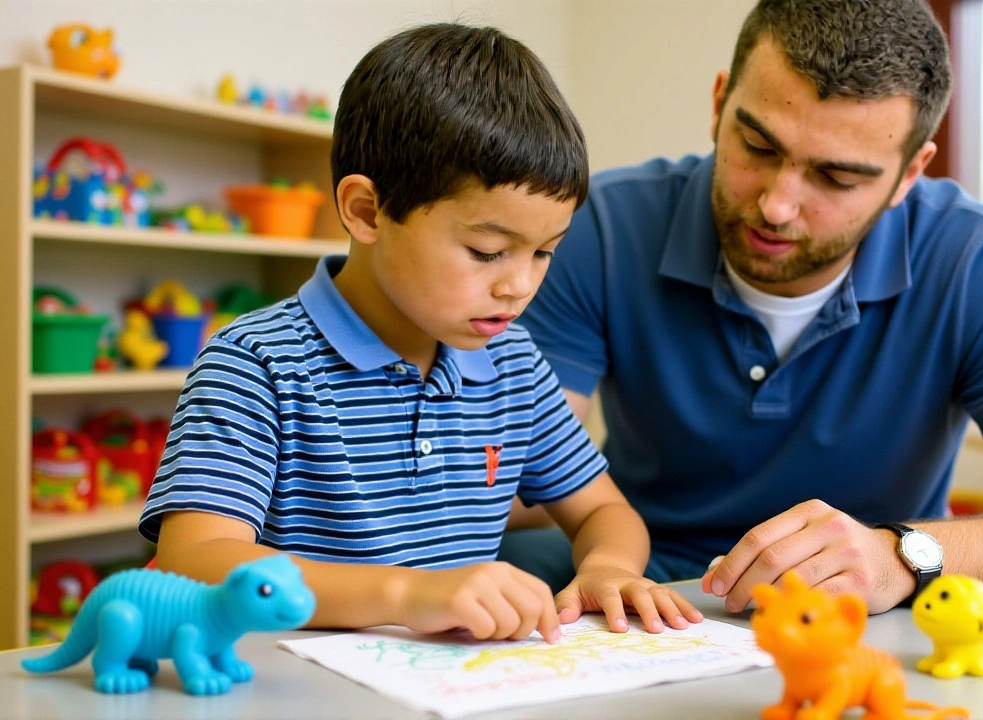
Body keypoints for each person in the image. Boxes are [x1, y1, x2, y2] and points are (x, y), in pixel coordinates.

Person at [500, 0, 983, 614]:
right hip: (646, 592)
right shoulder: (603, 227)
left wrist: (899, 554)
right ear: (720, 102)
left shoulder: (974, 261)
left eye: (836, 178)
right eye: (757, 147)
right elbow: (515, 471)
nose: (778, 205)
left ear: (908, 174)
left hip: (868, 613)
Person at [140, 23, 702, 644]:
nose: (519, 286)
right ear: (366, 211)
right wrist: (406, 593)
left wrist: (608, 567)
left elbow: (602, 509)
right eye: (488, 251)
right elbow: (194, 559)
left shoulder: (513, 364)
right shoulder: (255, 363)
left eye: (544, 252)